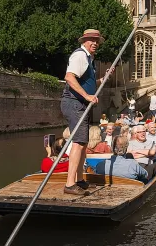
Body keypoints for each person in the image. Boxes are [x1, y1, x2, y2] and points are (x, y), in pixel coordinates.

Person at [61, 28, 113, 196]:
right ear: (84, 41)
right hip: (75, 103)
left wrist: (102, 79)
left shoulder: (89, 60)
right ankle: (70, 184)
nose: (95, 43)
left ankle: (79, 180)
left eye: (97, 41)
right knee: (78, 142)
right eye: (91, 40)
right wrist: (87, 96)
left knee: (83, 144)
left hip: (81, 104)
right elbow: (69, 77)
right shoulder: (80, 56)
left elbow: (88, 82)